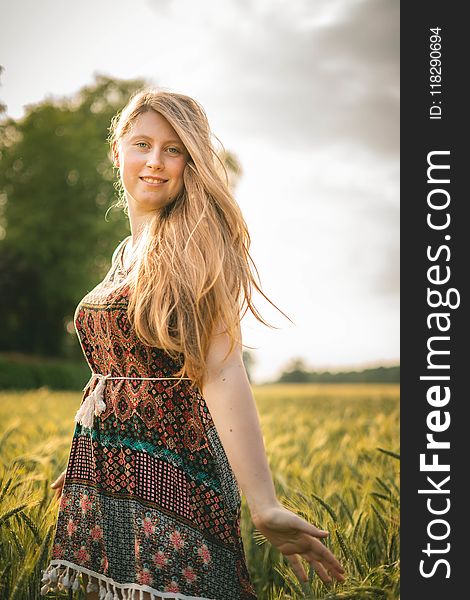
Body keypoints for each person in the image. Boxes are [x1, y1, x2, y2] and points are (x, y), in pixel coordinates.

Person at [41, 89, 345, 600]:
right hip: (106, 468)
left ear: (191, 162)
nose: (155, 162)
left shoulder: (193, 244)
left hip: (175, 472)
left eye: (174, 149)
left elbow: (222, 370)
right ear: (117, 153)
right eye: (142, 144)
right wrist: (85, 453)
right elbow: (122, 367)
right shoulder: (128, 251)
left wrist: (264, 502)